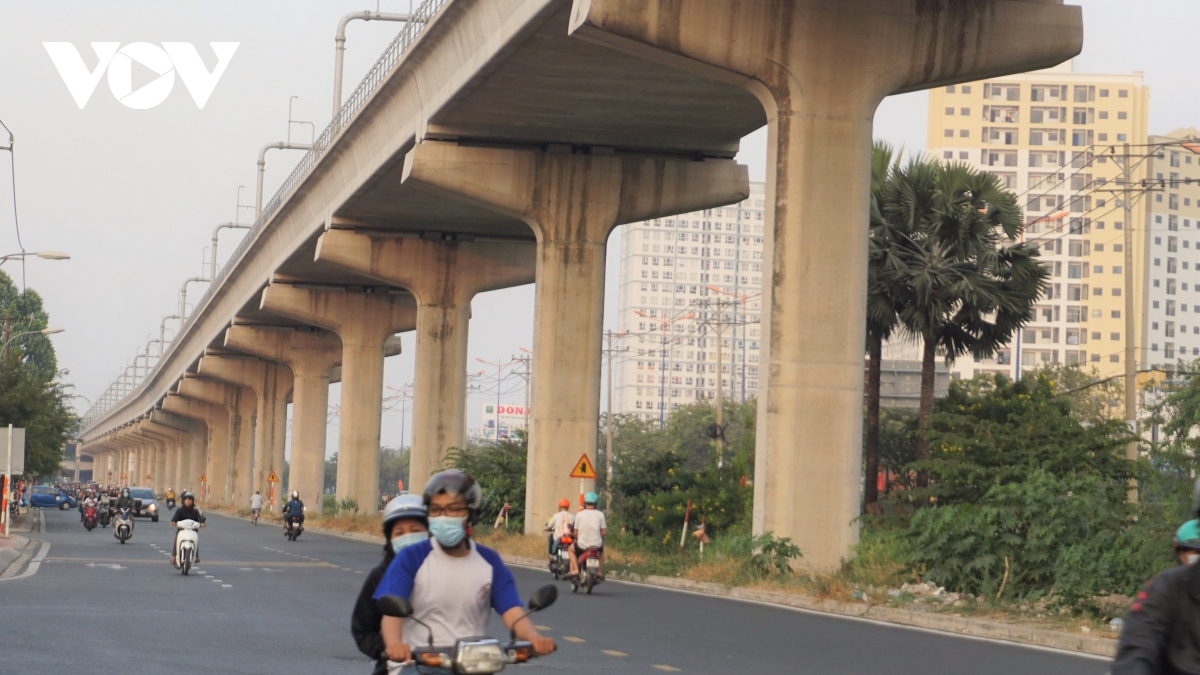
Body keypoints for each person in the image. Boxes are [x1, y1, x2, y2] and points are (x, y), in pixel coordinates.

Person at [373, 470, 555, 665]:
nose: (443, 516)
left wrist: (534, 637)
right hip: (419, 665)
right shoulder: (411, 558)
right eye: (436, 510)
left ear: (471, 514)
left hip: (473, 665)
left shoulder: (489, 561)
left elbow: (511, 610)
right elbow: (391, 614)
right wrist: (394, 645)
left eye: (453, 509)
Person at [353, 494, 429, 675]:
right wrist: (389, 648)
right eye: (400, 533)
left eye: (415, 530)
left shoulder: (447, 569)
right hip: (402, 666)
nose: (408, 537)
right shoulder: (381, 576)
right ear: (390, 539)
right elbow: (362, 629)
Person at [568, 492, 607, 579]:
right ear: (596, 503)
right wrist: (600, 537)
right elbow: (604, 532)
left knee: (570, 550)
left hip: (582, 545)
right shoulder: (601, 515)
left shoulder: (579, 515)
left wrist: (577, 537)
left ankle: (575, 569)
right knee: (601, 552)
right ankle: (598, 571)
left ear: (585, 503)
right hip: (596, 545)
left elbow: (575, 532)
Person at [169, 491, 206, 566]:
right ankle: (174, 556)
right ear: (184, 500)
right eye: (186, 499)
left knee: (195, 539)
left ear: (192, 501)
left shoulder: (196, 509)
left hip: (193, 529)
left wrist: (202, 522)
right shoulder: (180, 509)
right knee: (177, 539)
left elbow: (201, 516)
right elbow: (175, 516)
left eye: (190, 500)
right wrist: (173, 521)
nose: (188, 501)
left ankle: (196, 555)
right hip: (182, 529)